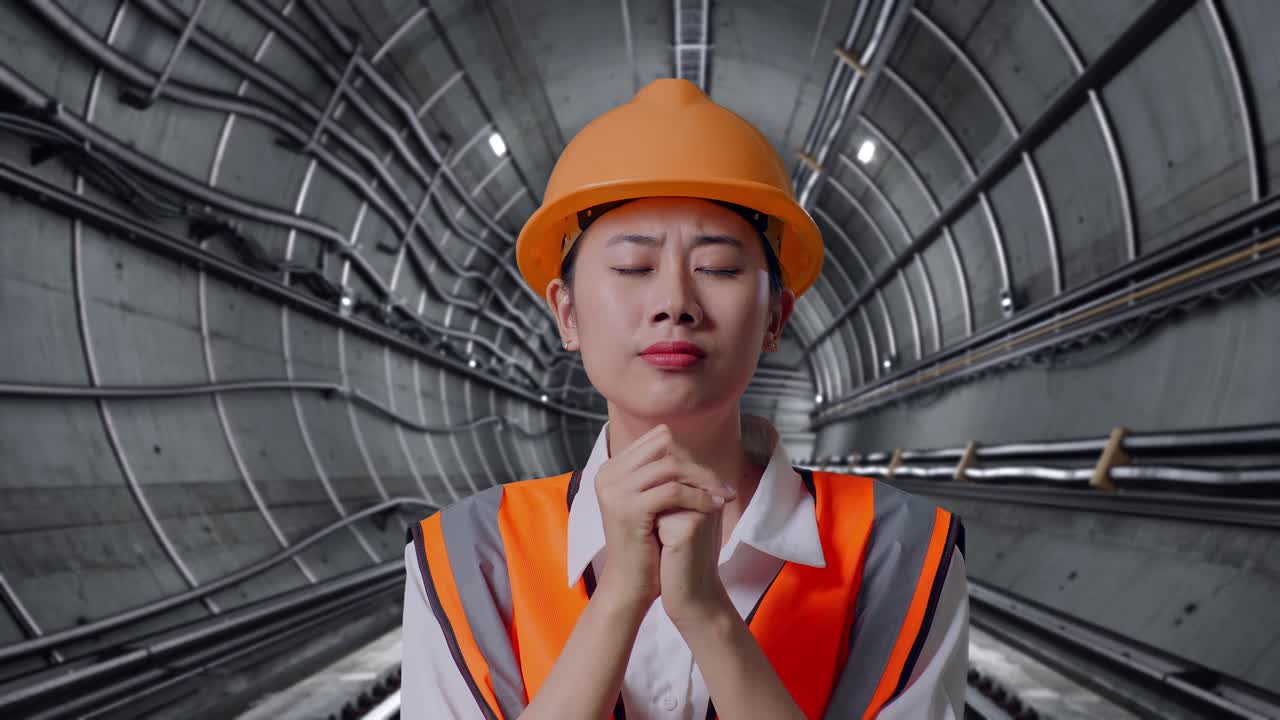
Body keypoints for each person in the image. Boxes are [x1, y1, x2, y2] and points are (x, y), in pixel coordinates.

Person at [401, 78, 968, 719]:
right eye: (633, 268)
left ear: (776, 318)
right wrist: (620, 596)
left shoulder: (897, 550)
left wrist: (706, 615)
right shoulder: (470, 555)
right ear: (566, 313)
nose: (675, 302)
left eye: (720, 268)